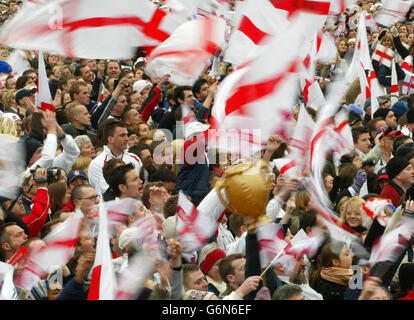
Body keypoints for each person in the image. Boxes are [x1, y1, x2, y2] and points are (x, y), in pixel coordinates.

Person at [88, 120, 142, 195]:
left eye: (127, 135)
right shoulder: (97, 163)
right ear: (110, 139)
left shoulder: (134, 158)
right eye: (122, 135)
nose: (127, 138)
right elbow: (106, 192)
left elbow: (141, 185)